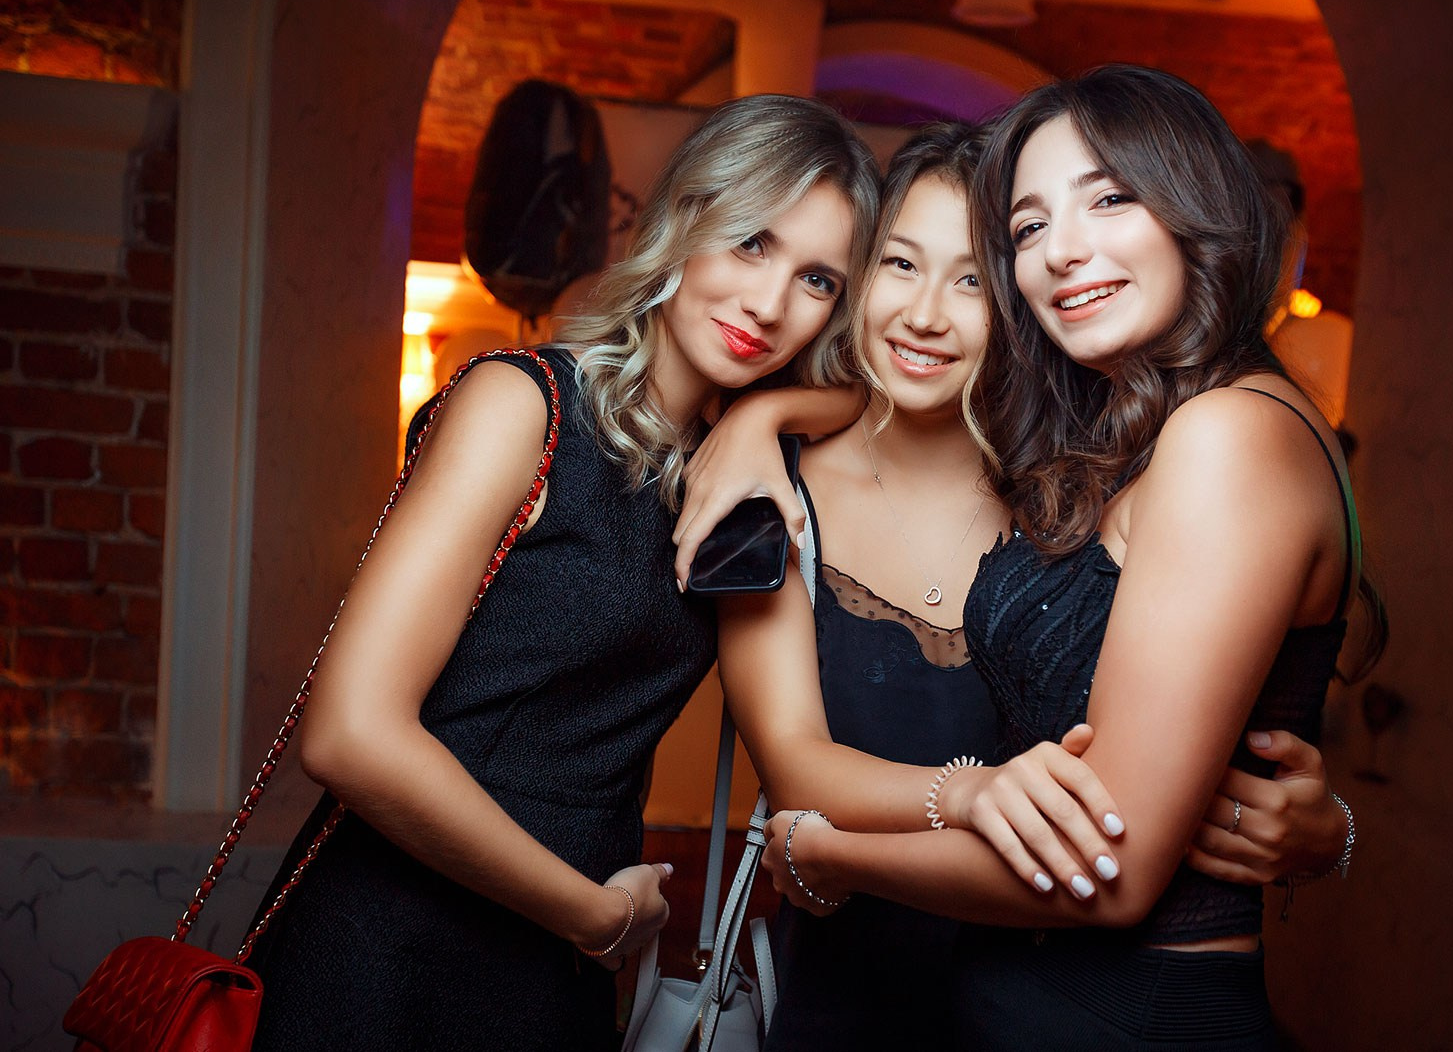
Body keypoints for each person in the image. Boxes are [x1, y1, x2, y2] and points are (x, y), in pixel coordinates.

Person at [696, 114, 1360, 1049]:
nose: (926, 312)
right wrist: (757, 416)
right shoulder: (770, 488)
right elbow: (795, 765)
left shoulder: (1087, 480)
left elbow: (1198, 721)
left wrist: (1331, 831)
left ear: (1019, 304)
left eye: (973, 278)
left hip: (1041, 998)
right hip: (852, 998)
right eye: (898, 264)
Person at [242, 93, 879, 1052]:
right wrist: (588, 914)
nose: (770, 304)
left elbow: (897, 394)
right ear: (683, 218)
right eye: (751, 242)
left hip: (556, 979)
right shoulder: (523, 407)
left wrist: (766, 415)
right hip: (389, 951)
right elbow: (349, 735)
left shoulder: (733, 476)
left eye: (818, 280)